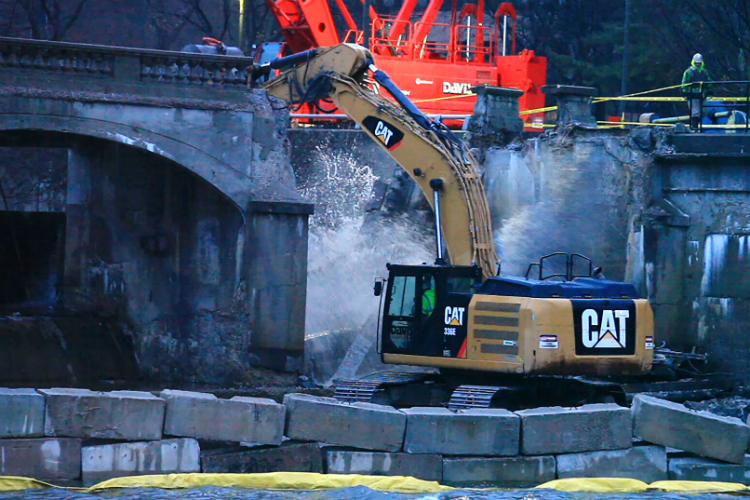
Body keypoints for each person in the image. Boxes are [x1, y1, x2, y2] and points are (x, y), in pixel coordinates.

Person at [682, 53, 712, 130]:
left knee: (704, 112)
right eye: (697, 63)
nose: (698, 64)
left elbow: (709, 82)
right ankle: (694, 127)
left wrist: (709, 90)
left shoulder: (704, 72)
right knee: (695, 112)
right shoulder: (688, 72)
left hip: (702, 94)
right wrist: (686, 92)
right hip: (693, 95)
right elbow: (684, 84)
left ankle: (696, 124)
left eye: (699, 63)